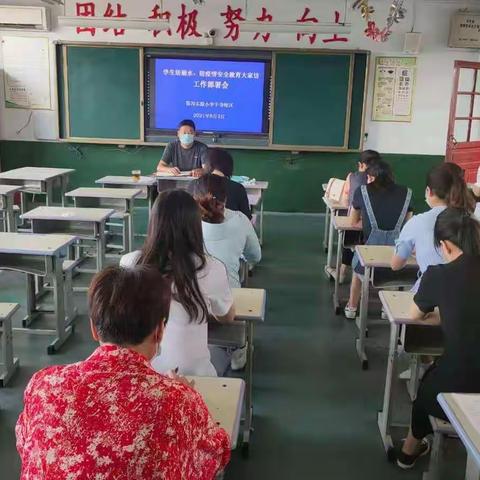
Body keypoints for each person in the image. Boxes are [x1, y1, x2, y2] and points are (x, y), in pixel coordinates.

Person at [16, 266, 230, 479]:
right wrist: (186, 394)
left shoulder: (43, 386)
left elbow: (25, 443)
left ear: (93, 328)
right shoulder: (178, 401)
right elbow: (217, 453)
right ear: (159, 331)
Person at [397, 208, 480, 469]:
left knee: (425, 389)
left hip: (459, 381)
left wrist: (446, 314)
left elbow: (415, 315)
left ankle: (409, 451)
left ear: (444, 245)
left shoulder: (439, 274)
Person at [121, 189, 235, 376]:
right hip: (193, 379)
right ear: (195, 227)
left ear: (154, 222)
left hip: (143, 377)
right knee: (222, 353)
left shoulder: (129, 264)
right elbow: (227, 316)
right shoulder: (210, 268)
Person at [191, 174, 261, 372]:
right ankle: (239, 346)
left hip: (189, 304)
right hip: (228, 309)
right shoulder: (240, 220)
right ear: (226, 198)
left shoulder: (185, 223)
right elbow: (256, 256)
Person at [344, 159, 413, 319]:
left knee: (357, 271)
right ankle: (386, 309)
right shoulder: (407, 192)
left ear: (371, 178)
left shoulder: (362, 191)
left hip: (369, 255)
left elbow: (353, 221)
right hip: (397, 256)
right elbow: (407, 225)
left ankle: (352, 307)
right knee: (394, 273)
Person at [391, 162, 475, 291]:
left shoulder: (416, 222)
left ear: (428, 191)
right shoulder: (472, 220)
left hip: (430, 295)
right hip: (469, 293)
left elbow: (396, 265)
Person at [339, 150, 380, 282]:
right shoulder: (381, 180)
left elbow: (345, 201)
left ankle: (343, 270)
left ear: (360, 165)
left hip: (354, 221)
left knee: (348, 239)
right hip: (374, 226)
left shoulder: (351, 177)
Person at [204, 147, 252, 219]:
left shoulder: (194, 184)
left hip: (201, 229)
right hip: (231, 229)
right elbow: (247, 217)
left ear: (207, 165)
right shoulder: (238, 188)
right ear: (229, 167)